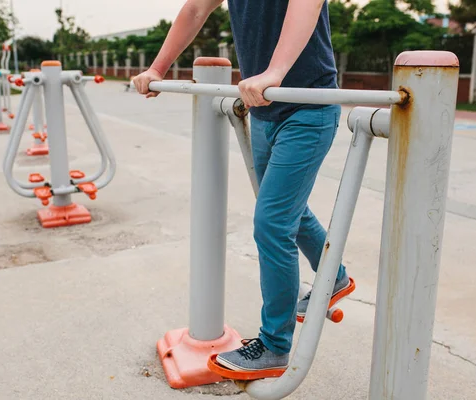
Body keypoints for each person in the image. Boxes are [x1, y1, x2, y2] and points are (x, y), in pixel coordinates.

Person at [133, 0, 354, 377]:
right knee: (288, 212)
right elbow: (195, 10)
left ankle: (274, 347)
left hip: (307, 108)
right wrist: (157, 67)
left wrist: (275, 71)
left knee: (272, 223)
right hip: (265, 109)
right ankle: (334, 277)